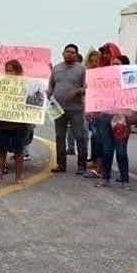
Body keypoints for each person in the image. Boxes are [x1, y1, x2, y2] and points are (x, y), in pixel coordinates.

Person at [48, 43, 87, 174]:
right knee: (59, 136)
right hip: (58, 108)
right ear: (63, 53)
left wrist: (77, 92)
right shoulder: (56, 68)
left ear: (76, 55)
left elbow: (86, 87)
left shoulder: (82, 69)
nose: (69, 54)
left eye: (72, 52)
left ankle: (81, 166)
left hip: (76, 109)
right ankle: (61, 164)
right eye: (67, 52)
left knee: (79, 136)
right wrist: (49, 93)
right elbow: (51, 85)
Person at [0, 59, 28, 185]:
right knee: (2, 151)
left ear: (17, 71)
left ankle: (18, 177)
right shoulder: (0, 83)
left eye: (10, 70)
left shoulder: (25, 85)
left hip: (19, 124)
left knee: (19, 151)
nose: (8, 73)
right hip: (3, 124)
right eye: (6, 70)